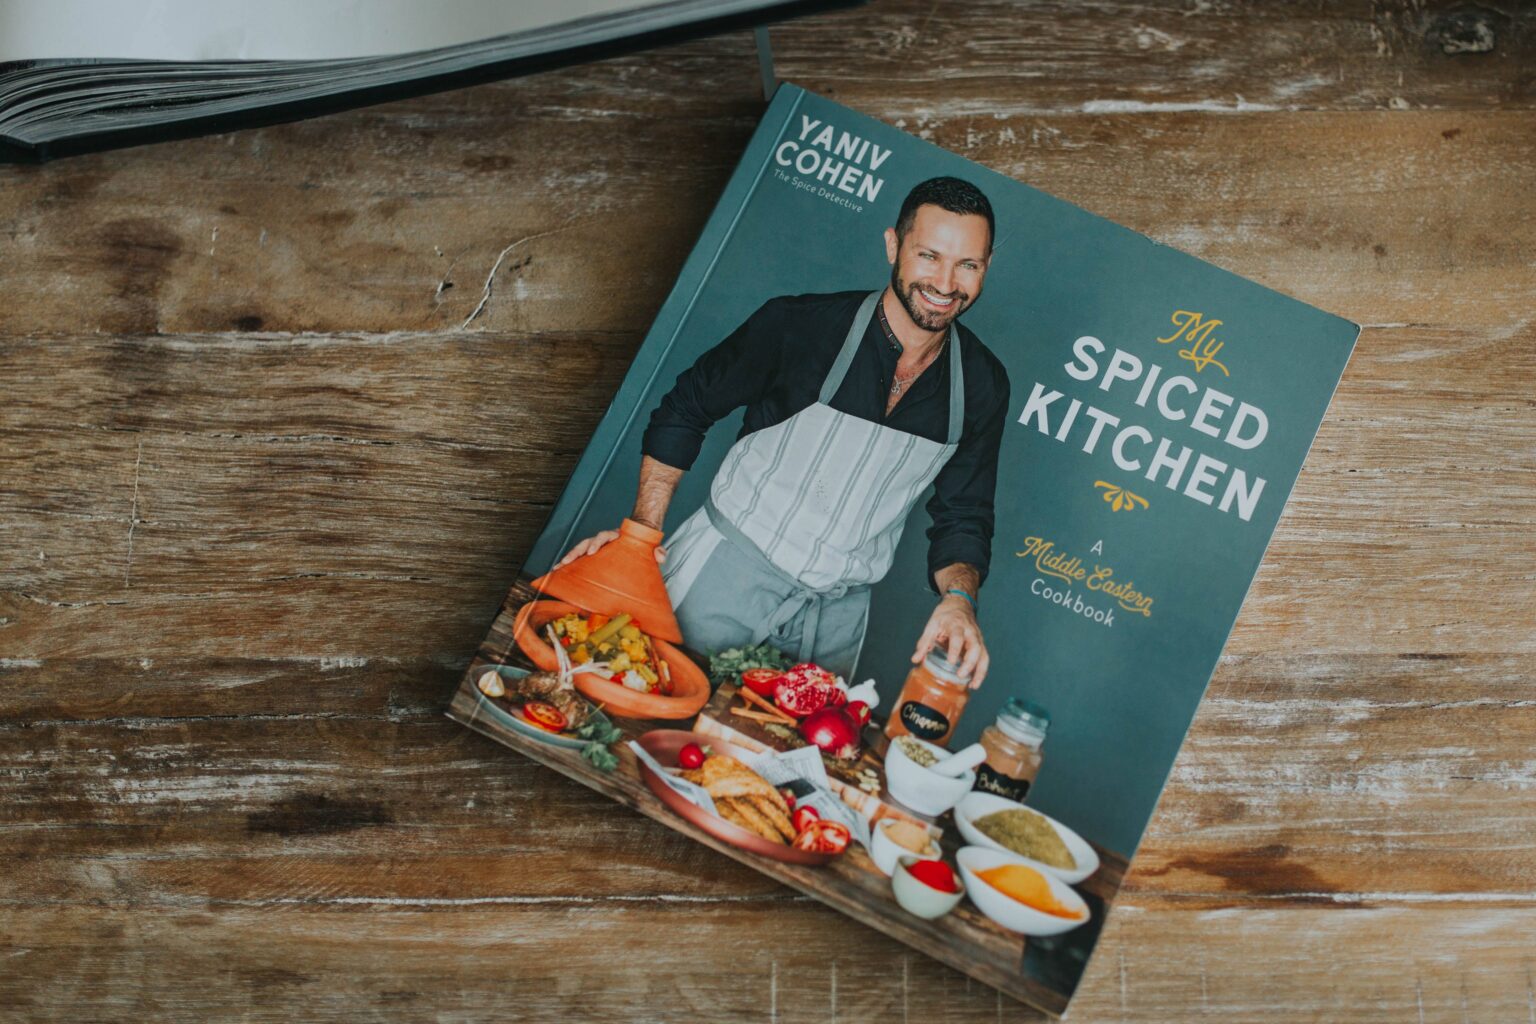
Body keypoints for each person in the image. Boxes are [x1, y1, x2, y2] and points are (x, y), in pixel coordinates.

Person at [556, 177, 1011, 687]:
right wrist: (640, 537)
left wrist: (959, 600)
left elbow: (964, 514)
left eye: (967, 264)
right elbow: (686, 408)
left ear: (986, 266)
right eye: (929, 255)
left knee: (770, 764)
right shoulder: (799, 326)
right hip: (721, 581)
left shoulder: (983, 384)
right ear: (893, 245)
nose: (946, 282)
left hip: (834, 626)